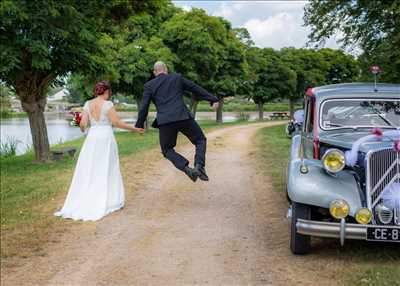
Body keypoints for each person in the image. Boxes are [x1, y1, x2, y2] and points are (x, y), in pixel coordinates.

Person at [54, 81, 144, 221]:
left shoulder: (87, 104)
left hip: (92, 137)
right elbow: (116, 123)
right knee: (107, 167)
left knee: (90, 167)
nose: (110, 94)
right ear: (106, 91)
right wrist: (134, 129)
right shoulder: (108, 104)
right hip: (105, 137)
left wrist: (80, 124)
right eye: (109, 92)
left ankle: (87, 197)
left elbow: (83, 125)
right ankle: (110, 199)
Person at [135, 61, 219, 182]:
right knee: (200, 140)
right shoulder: (177, 78)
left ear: (154, 72)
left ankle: (187, 169)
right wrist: (212, 99)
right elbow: (195, 88)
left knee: (167, 150)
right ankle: (199, 166)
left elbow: (144, 107)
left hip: (165, 122)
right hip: (183, 117)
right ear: (166, 69)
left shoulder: (149, 85)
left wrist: (139, 125)